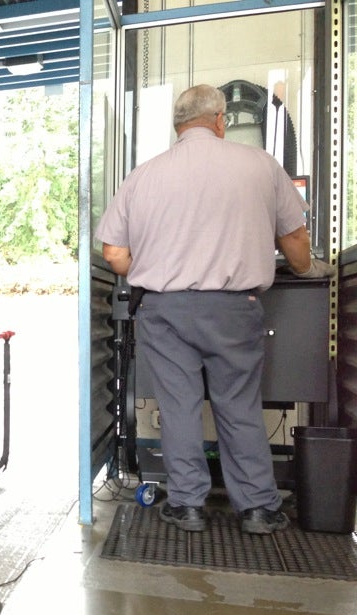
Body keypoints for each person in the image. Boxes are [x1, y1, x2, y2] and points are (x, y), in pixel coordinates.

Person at [96, 84, 334, 535]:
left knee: (179, 406)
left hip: (165, 312)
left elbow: (114, 255)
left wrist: (149, 266)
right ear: (221, 119)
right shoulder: (260, 165)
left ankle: (187, 506)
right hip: (234, 308)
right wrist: (306, 269)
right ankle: (259, 510)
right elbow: (296, 243)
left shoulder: (143, 174)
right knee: (239, 405)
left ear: (178, 126)